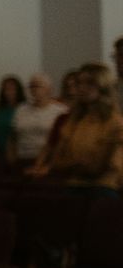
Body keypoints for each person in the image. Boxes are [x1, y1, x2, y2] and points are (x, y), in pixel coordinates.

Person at [32, 64, 123, 195]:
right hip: (75, 183)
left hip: (105, 186)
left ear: (102, 86)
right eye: (80, 83)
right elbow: (58, 159)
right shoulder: (74, 121)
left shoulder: (115, 122)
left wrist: (79, 163)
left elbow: (112, 165)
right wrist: (75, 164)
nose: (82, 88)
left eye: (89, 83)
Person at [12, 73, 67, 167]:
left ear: (49, 89)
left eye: (37, 86)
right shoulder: (21, 109)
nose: (34, 89)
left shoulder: (61, 110)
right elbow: (13, 136)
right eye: (31, 86)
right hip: (22, 157)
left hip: (48, 160)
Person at [0, 75, 24, 163]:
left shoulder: (24, 110)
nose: (9, 92)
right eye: (6, 89)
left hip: (19, 154)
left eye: (12, 89)